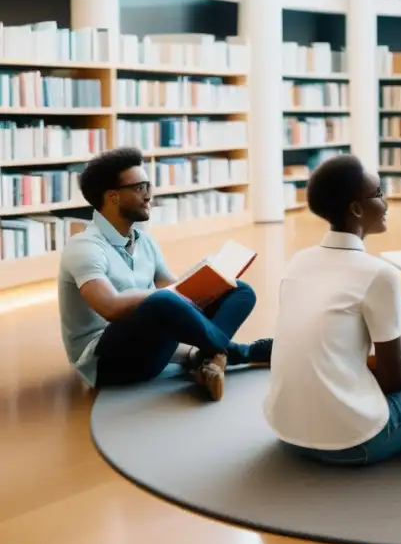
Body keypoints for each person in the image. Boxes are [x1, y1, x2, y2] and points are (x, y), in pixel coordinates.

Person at [263, 154, 401, 466]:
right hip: (352, 445)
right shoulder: (378, 274)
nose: (386, 202)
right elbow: (394, 381)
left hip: (286, 434)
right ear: (356, 209)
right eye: (379, 194)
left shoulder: (298, 262)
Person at [57, 147, 271, 401]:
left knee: (238, 289)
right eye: (140, 188)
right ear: (112, 197)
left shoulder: (144, 241)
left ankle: (207, 358)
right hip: (108, 362)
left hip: (155, 349)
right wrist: (169, 294)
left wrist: (206, 277)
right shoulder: (84, 247)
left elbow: (177, 292)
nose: (149, 195)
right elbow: (110, 307)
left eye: (149, 185)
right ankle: (235, 353)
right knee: (163, 301)